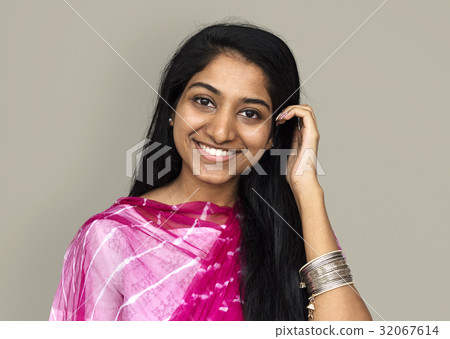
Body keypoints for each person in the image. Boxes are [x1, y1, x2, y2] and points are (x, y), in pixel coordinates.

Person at [49, 21, 372, 321]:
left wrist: (308, 191)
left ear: (273, 133)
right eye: (204, 101)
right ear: (172, 108)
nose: (220, 132)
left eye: (249, 113)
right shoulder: (112, 238)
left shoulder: (289, 232)